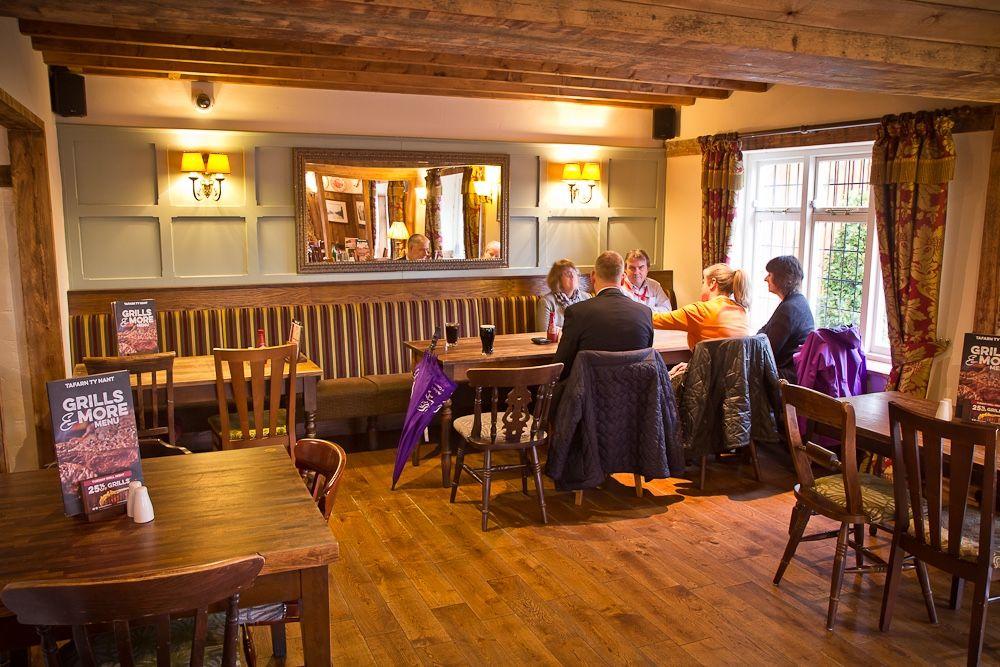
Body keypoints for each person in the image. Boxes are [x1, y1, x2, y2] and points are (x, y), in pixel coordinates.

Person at [553, 251, 653, 380]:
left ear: (592, 276)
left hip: (588, 391)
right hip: (633, 391)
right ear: (623, 278)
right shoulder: (645, 313)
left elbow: (560, 367)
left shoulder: (577, 312)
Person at [653, 263, 750, 350]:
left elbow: (654, 320)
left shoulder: (700, 311)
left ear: (712, 283)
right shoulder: (741, 311)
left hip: (708, 365)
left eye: (703, 282)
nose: (702, 287)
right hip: (734, 365)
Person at [759, 255, 814, 382]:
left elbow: (767, 349)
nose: (765, 279)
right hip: (792, 373)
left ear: (783, 279)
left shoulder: (788, 309)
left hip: (784, 378)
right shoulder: (798, 301)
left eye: (770, 274)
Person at [535, 259, 590, 331]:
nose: (572, 276)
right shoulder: (546, 302)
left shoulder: (586, 298)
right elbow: (543, 333)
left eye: (574, 273)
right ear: (557, 279)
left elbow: (592, 327)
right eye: (568, 273)